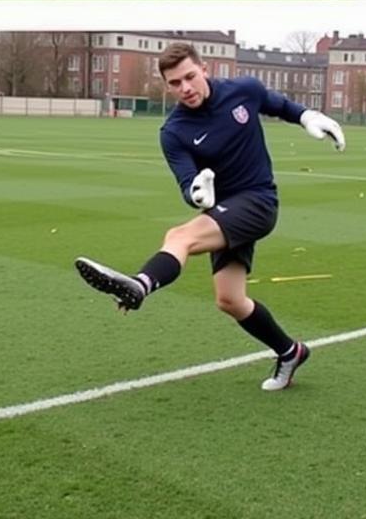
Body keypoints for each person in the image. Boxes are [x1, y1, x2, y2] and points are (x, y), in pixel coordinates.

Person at [75, 41, 344, 391]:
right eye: (174, 83)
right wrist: (197, 192)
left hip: (259, 202)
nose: (185, 88)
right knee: (230, 300)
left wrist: (309, 117)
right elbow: (188, 184)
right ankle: (290, 352)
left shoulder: (243, 90)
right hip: (222, 211)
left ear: (204, 69)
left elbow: (278, 104)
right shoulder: (173, 132)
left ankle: (139, 286)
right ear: (166, 86)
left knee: (179, 237)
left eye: (189, 77)